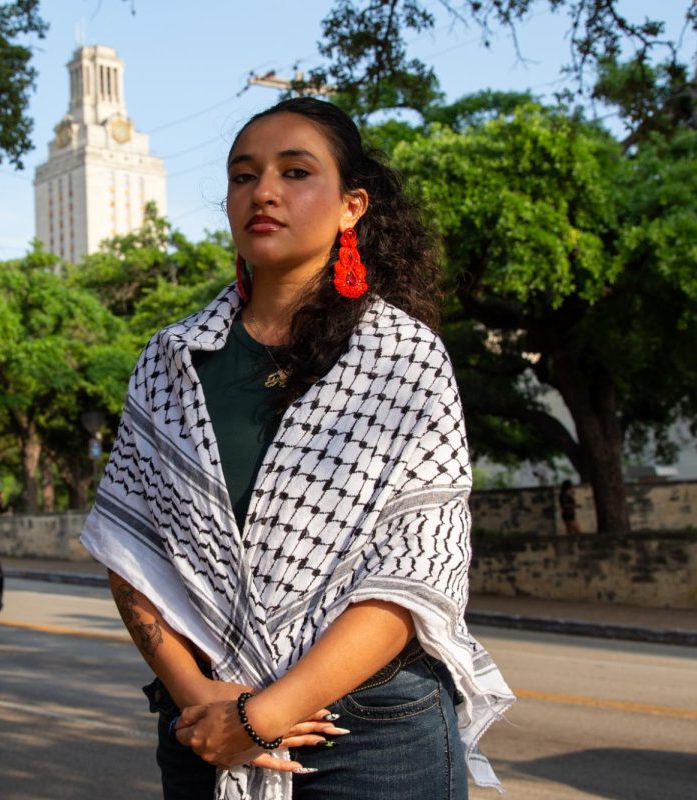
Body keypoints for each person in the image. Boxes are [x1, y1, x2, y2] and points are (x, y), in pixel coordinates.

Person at [80, 97, 513, 800]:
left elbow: (414, 571)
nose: (265, 192)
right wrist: (205, 705)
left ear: (352, 206)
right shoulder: (173, 360)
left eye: (296, 171)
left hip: (371, 732)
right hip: (201, 726)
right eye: (243, 176)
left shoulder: (402, 359)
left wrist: (263, 716)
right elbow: (133, 552)